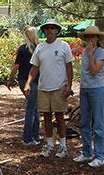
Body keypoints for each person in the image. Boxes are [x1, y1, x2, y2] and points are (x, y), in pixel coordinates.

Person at [24, 19, 73, 158]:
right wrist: (28, 83)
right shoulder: (40, 48)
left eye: (52, 28)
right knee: (45, 117)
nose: (50, 31)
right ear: (44, 31)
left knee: (59, 117)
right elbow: (34, 67)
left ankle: (63, 146)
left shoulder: (64, 46)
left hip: (59, 87)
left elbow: (69, 67)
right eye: (47, 28)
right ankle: (50, 144)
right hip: (43, 87)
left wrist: (69, 85)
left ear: (57, 30)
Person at [73, 26, 104, 168]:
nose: (90, 39)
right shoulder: (85, 52)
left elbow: (94, 71)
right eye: (87, 37)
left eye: (92, 37)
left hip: (97, 89)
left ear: (97, 38)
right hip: (85, 89)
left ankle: (100, 156)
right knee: (85, 122)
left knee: (98, 123)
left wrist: (90, 54)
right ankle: (86, 152)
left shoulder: (101, 53)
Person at [7, 27, 40, 146]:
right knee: (32, 109)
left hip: (22, 81)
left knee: (34, 108)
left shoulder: (22, 48)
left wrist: (10, 80)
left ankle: (35, 135)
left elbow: (16, 66)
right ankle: (28, 138)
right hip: (35, 82)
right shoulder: (39, 48)